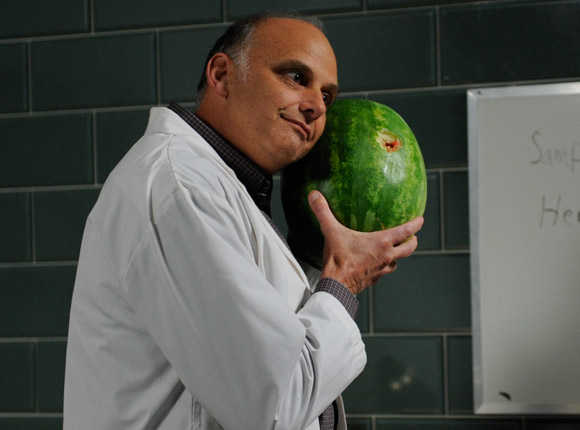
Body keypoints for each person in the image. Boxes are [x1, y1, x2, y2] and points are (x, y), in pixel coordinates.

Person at [63, 12, 423, 430]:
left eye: (327, 96)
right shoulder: (181, 188)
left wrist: (319, 260)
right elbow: (272, 405)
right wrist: (345, 279)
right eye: (295, 77)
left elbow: (275, 346)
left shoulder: (222, 188)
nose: (315, 106)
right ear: (222, 75)